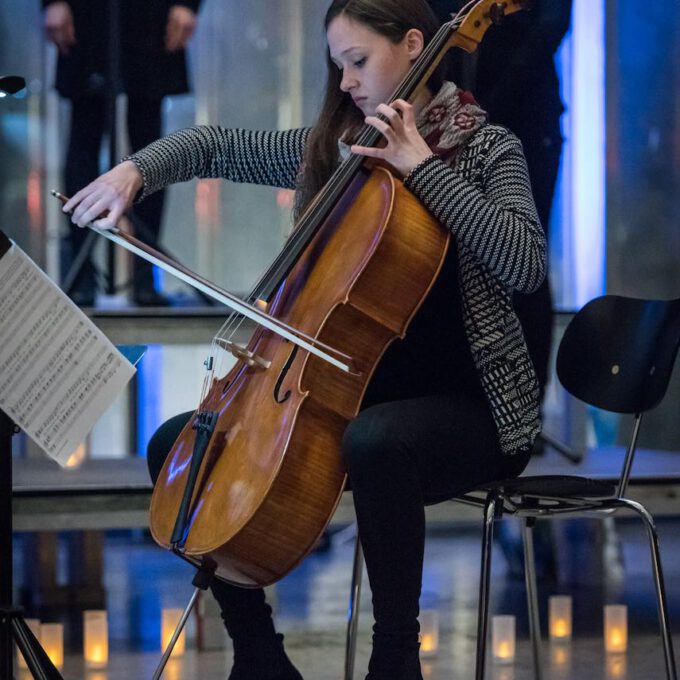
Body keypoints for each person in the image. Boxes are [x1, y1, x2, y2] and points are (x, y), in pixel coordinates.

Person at [63, 0, 546, 677]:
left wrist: (422, 169)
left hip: (466, 409)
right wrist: (133, 173)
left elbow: (524, 263)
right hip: (336, 399)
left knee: (377, 442)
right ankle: (258, 654)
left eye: (357, 61)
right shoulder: (339, 147)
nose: (345, 81)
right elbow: (215, 145)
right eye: (337, 64)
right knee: (180, 445)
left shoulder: (487, 147)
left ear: (415, 46)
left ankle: (395, 660)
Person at [43, 0, 202, 306]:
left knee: (149, 140)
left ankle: (144, 274)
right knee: (84, 136)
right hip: (88, 16)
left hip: (152, 16)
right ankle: (82, 273)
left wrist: (187, 3)